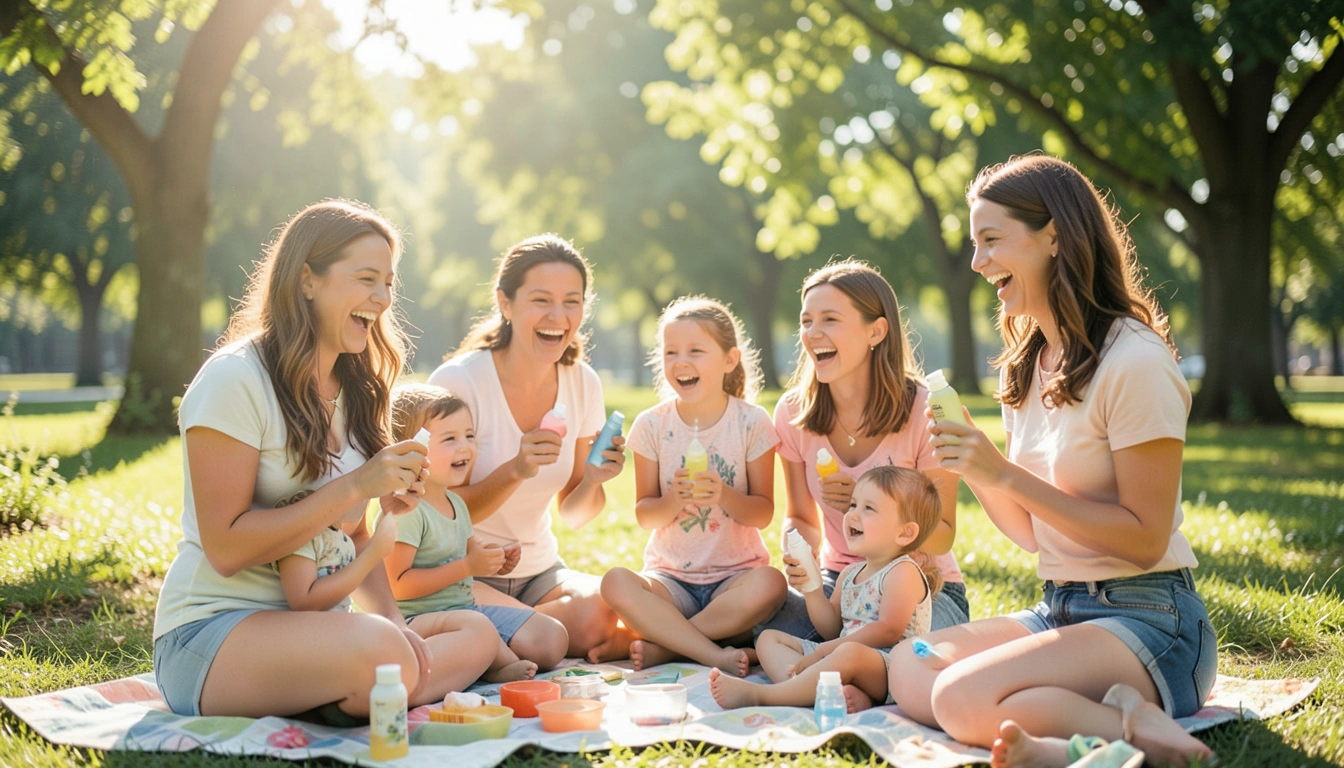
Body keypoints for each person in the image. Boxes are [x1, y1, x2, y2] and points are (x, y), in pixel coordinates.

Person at [886, 155, 1217, 768]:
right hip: (1060, 607)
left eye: (991, 241)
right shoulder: (1031, 365)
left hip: (1151, 619)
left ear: (1055, 236)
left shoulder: (1135, 362)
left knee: (959, 698)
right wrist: (976, 471)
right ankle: (1060, 733)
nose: (979, 263)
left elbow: (1145, 541)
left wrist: (1006, 472)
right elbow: (1033, 536)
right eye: (974, 244)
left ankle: (1136, 731)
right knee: (912, 663)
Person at [152, 200, 495, 720]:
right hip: (214, 631)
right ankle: (369, 687)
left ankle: (363, 689)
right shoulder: (235, 379)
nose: (382, 299)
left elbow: (355, 536)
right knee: (386, 655)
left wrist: (398, 623)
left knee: (475, 634)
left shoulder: (357, 390)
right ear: (307, 280)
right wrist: (357, 485)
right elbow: (223, 547)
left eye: (388, 283)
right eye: (365, 279)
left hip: (322, 628)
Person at [760, 260, 969, 672]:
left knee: (909, 657)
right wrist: (798, 553)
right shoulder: (793, 413)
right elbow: (800, 517)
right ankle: (839, 676)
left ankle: (836, 675)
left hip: (919, 586)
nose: (812, 333)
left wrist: (865, 500)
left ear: (876, 331)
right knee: (765, 625)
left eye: (830, 320)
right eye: (806, 321)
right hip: (843, 587)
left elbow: (941, 535)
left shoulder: (928, 411)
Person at [427, 234, 628, 662]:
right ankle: (508, 627)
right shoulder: (460, 383)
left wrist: (592, 480)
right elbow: (434, 513)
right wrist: (515, 470)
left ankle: (503, 629)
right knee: (547, 641)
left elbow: (574, 514)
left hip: (540, 570)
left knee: (607, 611)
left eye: (572, 302)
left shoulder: (582, 383)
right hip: (462, 569)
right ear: (505, 303)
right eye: (541, 300)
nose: (559, 316)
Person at [600, 297, 786, 676]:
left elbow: (764, 512)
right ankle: (711, 650)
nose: (680, 362)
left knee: (772, 584)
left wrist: (724, 495)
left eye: (695, 351)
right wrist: (672, 501)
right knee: (615, 582)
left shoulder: (751, 423)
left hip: (736, 579)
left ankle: (669, 647)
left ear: (729, 360)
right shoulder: (651, 426)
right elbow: (644, 515)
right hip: (671, 581)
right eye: (670, 352)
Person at [709, 466, 941, 711]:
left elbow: (887, 632)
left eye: (868, 508)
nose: (853, 514)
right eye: (853, 505)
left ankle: (766, 695)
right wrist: (813, 591)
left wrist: (822, 654)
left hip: (891, 668)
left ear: (905, 533)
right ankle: (812, 690)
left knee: (851, 653)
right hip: (840, 656)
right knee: (769, 638)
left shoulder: (902, 571)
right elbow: (831, 629)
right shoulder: (850, 574)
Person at [384, 384, 569, 683]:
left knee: (553, 638)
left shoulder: (455, 502)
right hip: (416, 622)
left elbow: (470, 551)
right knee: (477, 628)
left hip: (466, 612)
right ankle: (491, 664)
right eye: (450, 439)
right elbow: (397, 587)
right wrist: (468, 567)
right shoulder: (407, 508)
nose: (465, 446)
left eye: (469, 436)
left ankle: (481, 661)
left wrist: (496, 556)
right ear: (412, 447)